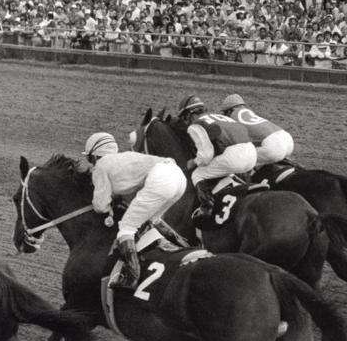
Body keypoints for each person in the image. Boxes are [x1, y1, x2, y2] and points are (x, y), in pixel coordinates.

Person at [81, 132, 187, 291]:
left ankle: (132, 276)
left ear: (95, 156)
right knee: (153, 219)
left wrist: (107, 209)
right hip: (178, 177)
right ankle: (185, 245)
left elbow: (100, 205)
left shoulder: (101, 166)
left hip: (160, 178)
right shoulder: (125, 157)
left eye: (90, 159)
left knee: (126, 228)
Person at [178, 94, 257, 218]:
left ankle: (206, 207)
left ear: (189, 114)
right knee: (223, 169)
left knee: (198, 174)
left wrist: (193, 162)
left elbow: (206, 156)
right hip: (252, 154)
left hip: (235, 157)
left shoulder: (196, 125)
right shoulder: (220, 116)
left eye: (184, 118)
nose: (185, 121)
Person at [218, 94, 295, 167]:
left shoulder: (232, 116)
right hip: (287, 139)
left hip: (273, 147)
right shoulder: (249, 112)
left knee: (236, 161)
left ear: (229, 110)